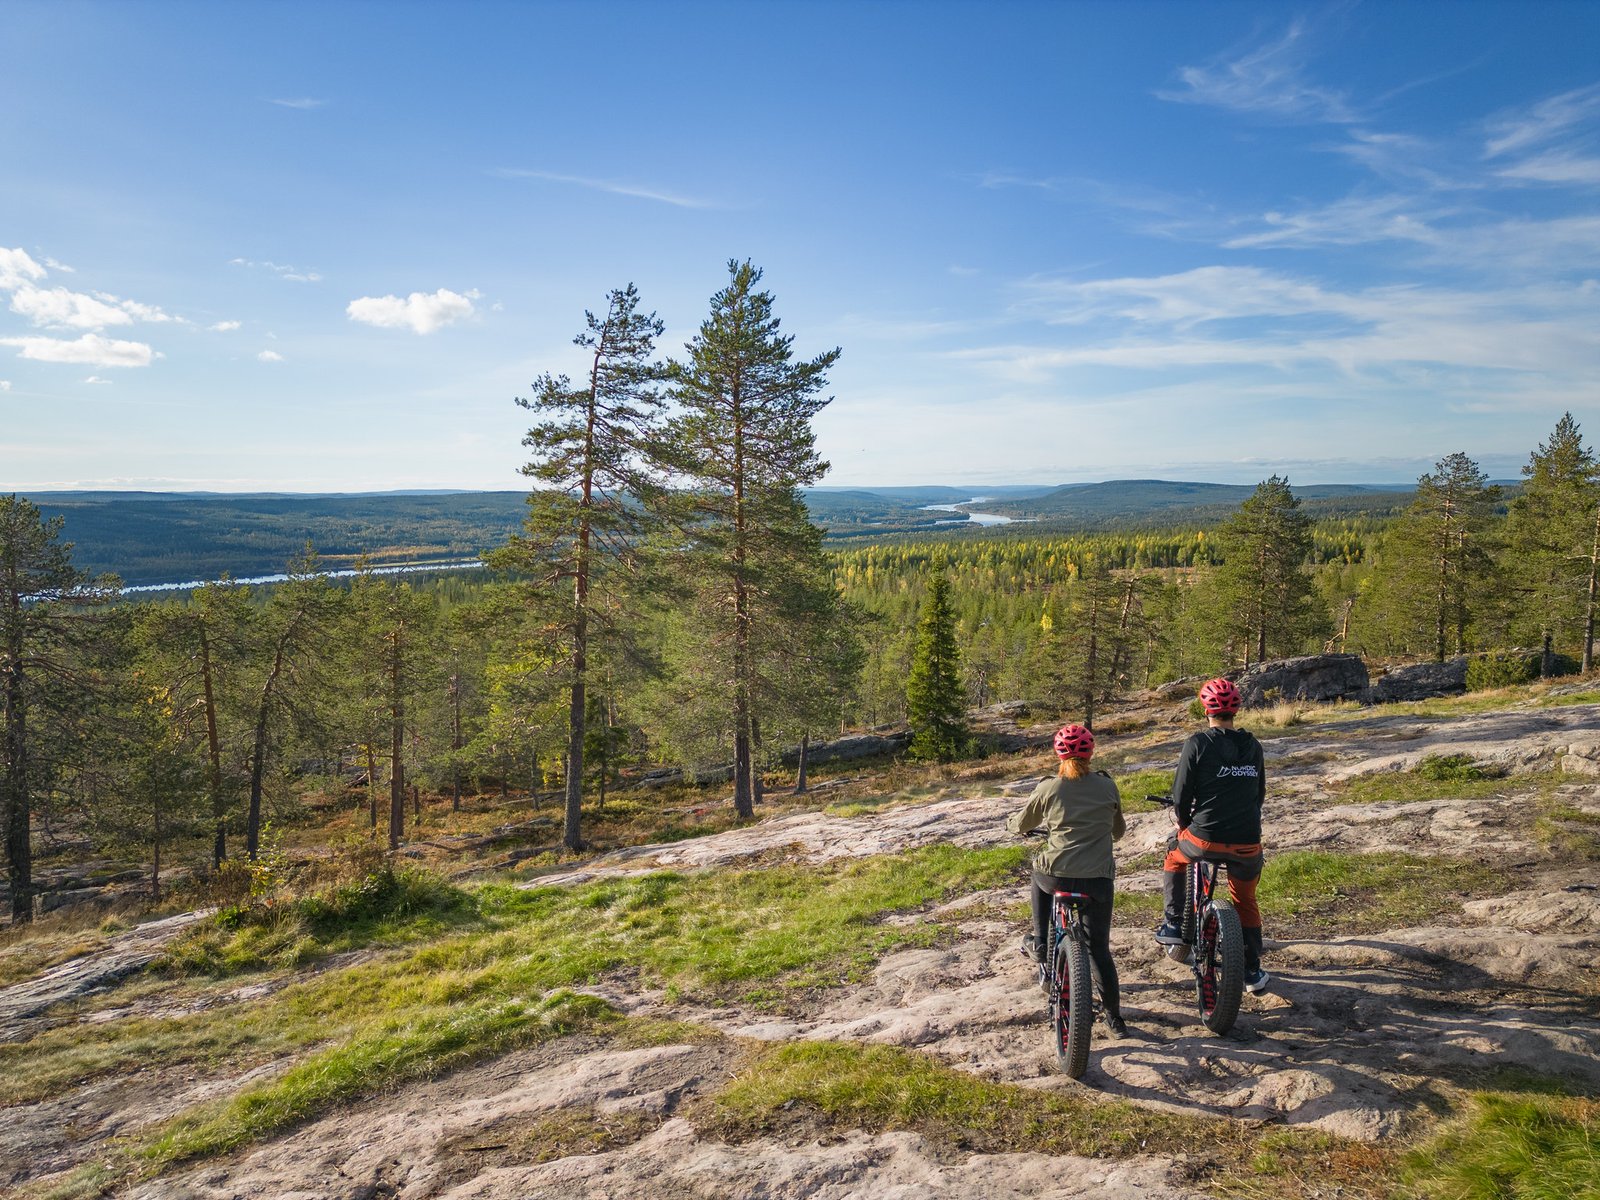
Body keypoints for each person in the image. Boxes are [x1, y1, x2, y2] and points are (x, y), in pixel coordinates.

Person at [1006, 723, 1128, 1037]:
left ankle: (1041, 942)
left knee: (1039, 872)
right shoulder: (1107, 786)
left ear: (1057, 754)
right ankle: (1115, 1019)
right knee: (1099, 949)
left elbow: (1022, 824)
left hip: (1055, 875)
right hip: (1097, 880)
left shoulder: (1050, 787)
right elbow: (1118, 831)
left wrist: (1010, 824)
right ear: (1091, 753)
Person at [1154, 678, 1270, 993]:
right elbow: (1258, 795)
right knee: (1245, 900)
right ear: (1236, 709)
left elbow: (1180, 796)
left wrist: (1184, 823)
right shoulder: (1253, 745)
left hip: (1204, 838)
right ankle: (1252, 971)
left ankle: (1175, 924)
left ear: (1206, 709)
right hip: (1247, 841)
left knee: (1173, 855)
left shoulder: (1197, 743)